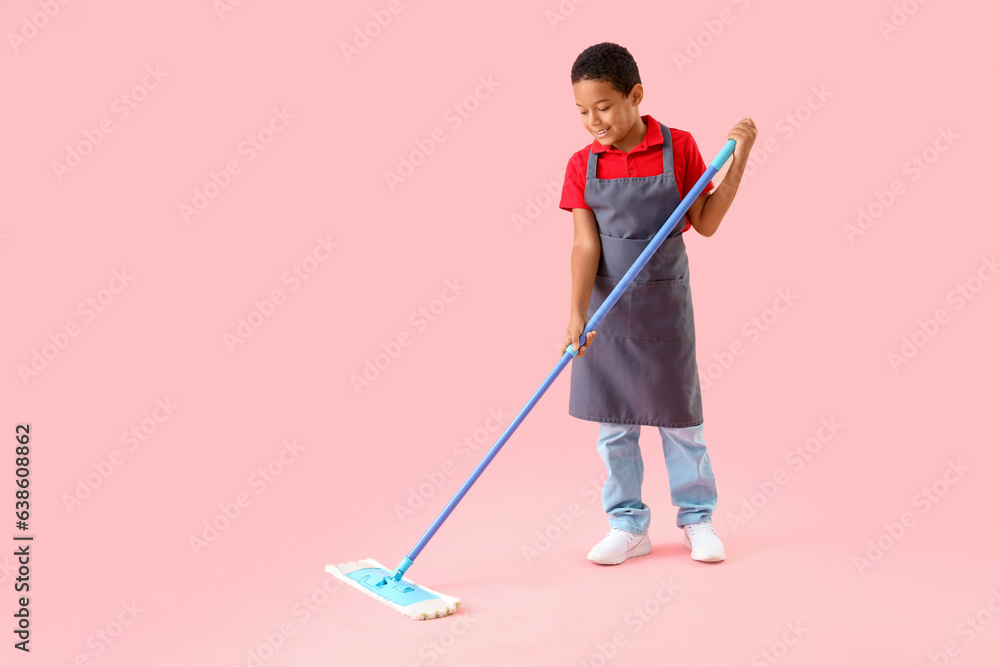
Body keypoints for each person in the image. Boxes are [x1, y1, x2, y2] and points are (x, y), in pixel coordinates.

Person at [558, 42, 756, 565]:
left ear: (636, 95)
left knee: (681, 423)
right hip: (607, 311)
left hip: (664, 307)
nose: (593, 120)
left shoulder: (680, 148)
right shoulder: (582, 164)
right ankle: (627, 525)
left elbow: (707, 222)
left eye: (603, 105)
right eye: (582, 110)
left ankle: (698, 520)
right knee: (614, 425)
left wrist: (738, 162)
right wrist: (577, 313)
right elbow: (585, 244)